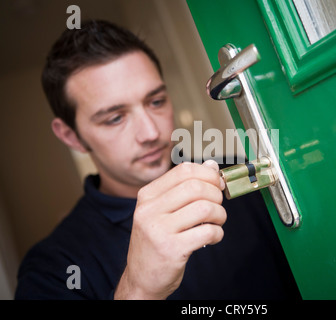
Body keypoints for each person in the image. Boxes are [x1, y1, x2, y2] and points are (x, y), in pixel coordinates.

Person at [14, 19, 300, 300]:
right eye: (114, 118)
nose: (151, 133)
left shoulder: (244, 174)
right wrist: (138, 290)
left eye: (156, 101)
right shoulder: (51, 269)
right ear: (71, 136)